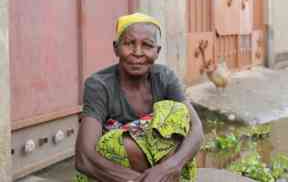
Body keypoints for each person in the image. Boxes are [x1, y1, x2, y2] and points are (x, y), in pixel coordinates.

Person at [74, 13, 204, 182]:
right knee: (121, 143)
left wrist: (169, 167)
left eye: (147, 45)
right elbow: (85, 158)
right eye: (129, 43)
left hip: (163, 172)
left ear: (157, 52)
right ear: (116, 48)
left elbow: (197, 130)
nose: (137, 53)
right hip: (113, 176)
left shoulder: (165, 78)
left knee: (177, 112)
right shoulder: (99, 85)